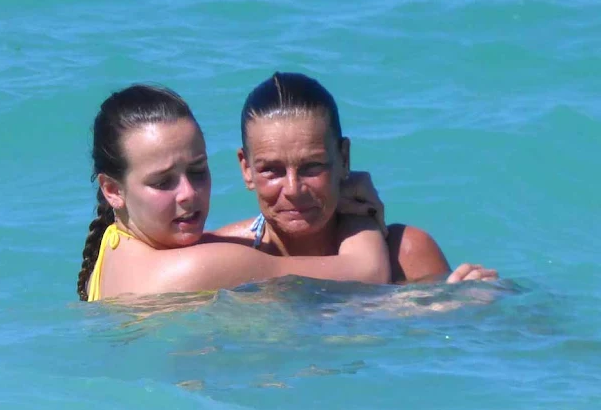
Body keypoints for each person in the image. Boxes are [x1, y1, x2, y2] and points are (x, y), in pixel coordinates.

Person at [76, 84, 390, 302]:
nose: (188, 193)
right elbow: (367, 273)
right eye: (162, 183)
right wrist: (357, 214)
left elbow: (219, 249)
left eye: (198, 171)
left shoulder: (112, 250)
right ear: (112, 190)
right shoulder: (193, 269)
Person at [213, 72, 497, 284]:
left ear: (344, 158)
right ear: (246, 169)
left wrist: (475, 305)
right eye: (272, 170)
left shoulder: (405, 252)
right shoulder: (220, 252)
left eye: (312, 166)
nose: (293, 189)